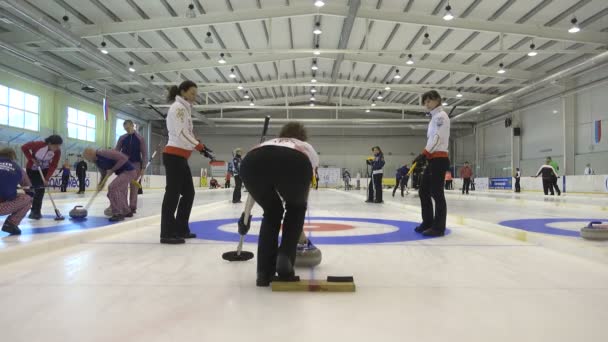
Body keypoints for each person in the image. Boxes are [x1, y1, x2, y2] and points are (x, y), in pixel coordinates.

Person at [239, 122, 319, 287]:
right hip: (294, 161)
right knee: (295, 208)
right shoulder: (304, 146)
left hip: (251, 161)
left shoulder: (269, 142)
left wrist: (245, 214)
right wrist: (298, 207)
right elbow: (303, 190)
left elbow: (253, 194)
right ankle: (285, 260)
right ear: (302, 137)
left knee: (272, 212)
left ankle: (263, 273)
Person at [161, 80, 214, 244]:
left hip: (181, 157)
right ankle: (167, 232)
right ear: (183, 92)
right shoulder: (178, 108)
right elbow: (181, 132)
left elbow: (186, 134)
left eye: (195, 94)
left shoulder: (184, 109)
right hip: (173, 156)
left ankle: (181, 228)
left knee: (188, 193)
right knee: (173, 194)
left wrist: (199, 144)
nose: (194, 97)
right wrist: (198, 146)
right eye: (192, 93)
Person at [412, 90, 450, 237]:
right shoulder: (433, 118)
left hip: (439, 159)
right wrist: (424, 156)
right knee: (423, 191)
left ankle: (439, 227)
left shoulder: (441, 117)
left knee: (437, 193)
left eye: (429, 101)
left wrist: (424, 154)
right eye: (425, 102)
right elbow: (431, 140)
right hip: (432, 159)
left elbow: (437, 138)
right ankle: (428, 222)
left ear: (437, 100)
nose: (426, 104)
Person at [83, 148, 138, 222]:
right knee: (112, 193)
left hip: (129, 171)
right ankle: (126, 211)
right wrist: (100, 185)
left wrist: (112, 169)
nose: (88, 161)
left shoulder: (103, 153)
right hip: (122, 173)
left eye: (88, 159)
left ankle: (118, 213)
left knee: (113, 188)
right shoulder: (97, 162)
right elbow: (103, 174)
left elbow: (124, 158)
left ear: (90, 154)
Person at [21, 135, 63, 220]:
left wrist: (47, 178)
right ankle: (30, 209)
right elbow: (24, 147)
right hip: (32, 169)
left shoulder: (57, 152)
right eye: (56, 146)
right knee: (32, 190)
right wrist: (31, 159)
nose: (57, 148)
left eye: (59, 146)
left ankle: (36, 211)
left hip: (44, 170)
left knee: (40, 190)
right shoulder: (38, 144)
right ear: (50, 143)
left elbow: (54, 165)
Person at [115, 120, 147, 214]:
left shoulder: (140, 138)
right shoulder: (122, 138)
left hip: (136, 164)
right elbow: (116, 151)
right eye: (125, 129)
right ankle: (124, 207)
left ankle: (132, 207)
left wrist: (143, 168)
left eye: (128, 128)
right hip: (124, 165)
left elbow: (144, 154)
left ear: (133, 126)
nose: (127, 130)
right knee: (123, 186)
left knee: (134, 186)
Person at [0, 148, 33, 235]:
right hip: (2, 206)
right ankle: (11, 224)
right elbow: (28, 186)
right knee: (27, 198)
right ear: (12, 157)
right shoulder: (17, 168)